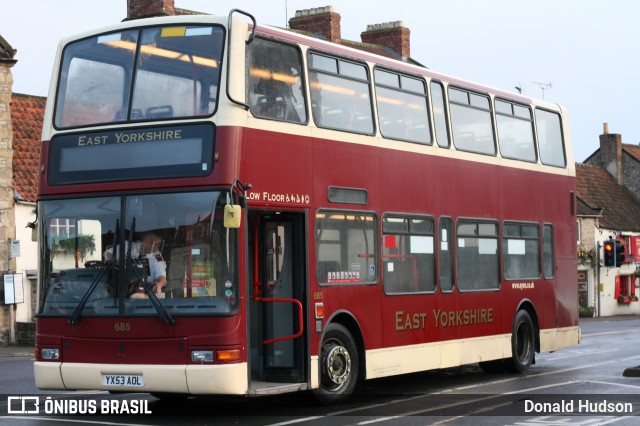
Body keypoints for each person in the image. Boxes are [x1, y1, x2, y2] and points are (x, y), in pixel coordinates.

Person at [104, 231, 167, 298]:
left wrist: (159, 285)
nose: (154, 247)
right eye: (151, 243)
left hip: (145, 293)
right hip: (121, 290)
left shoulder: (158, 257)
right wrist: (119, 265)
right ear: (144, 239)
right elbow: (107, 254)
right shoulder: (128, 247)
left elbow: (162, 276)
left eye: (157, 244)